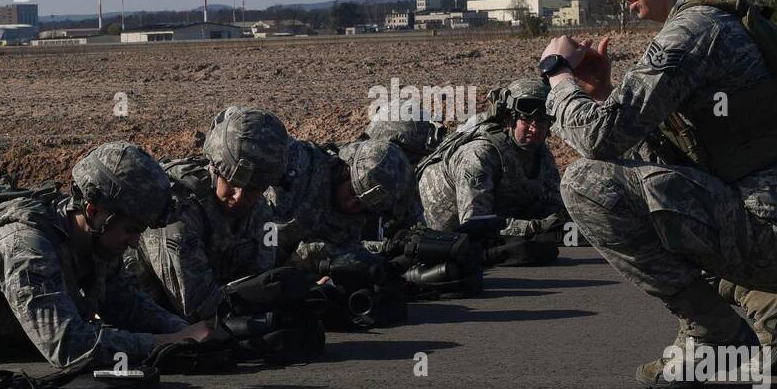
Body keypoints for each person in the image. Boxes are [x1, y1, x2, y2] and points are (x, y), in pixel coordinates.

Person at [541, 0, 777, 389]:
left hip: (776, 234)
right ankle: (767, 304)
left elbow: (598, 140)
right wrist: (600, 93)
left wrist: (557, 77)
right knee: (631, 183)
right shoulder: (718, 18)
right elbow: (660, 151)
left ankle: (715, 336)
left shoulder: (692, 31)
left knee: (585, 184)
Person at [0, 141, 209, 368]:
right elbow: (69, 347)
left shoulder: (95, 242)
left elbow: (126, 304)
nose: (134, 243)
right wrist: (164, 342)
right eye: (130, 230)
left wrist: (188, 333)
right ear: (93, 209)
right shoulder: (25, 248)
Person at [128, 106, 288, 323]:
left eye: (253, 189)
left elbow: (260, 279)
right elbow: (196, 308)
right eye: (233, 182)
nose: (239, 196)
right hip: (149, 325)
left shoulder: (260, 211)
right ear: (214, 167)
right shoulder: (177, 210)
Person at [416, 77, 565, 242]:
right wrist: (536, 227)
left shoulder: (540, 153)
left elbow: (554, 207)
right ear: (509, 119)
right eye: (526, 119)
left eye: (542, 121)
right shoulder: (479, 155)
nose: (534, 128)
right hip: (442, 243)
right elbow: (475, 225)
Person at [265, 137, 411, 272]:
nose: (350, 204)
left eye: (361, 204)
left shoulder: (356, 221)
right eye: (352, 191)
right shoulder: (301, 161)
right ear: (346, 170)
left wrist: (385, 248)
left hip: (273, 278)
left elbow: (342, 251)